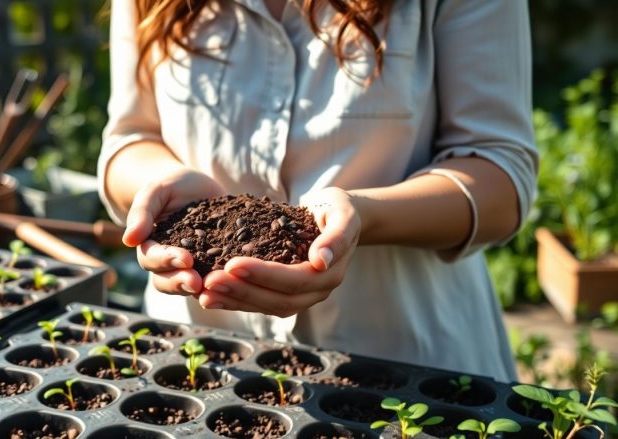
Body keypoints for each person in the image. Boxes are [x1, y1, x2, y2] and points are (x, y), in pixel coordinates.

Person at [98, 0, 537, 382]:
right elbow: (129, 139)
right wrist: (159, 190)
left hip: (403, 362)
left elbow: (500, 176)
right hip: (200, 357)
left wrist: (363, 215)